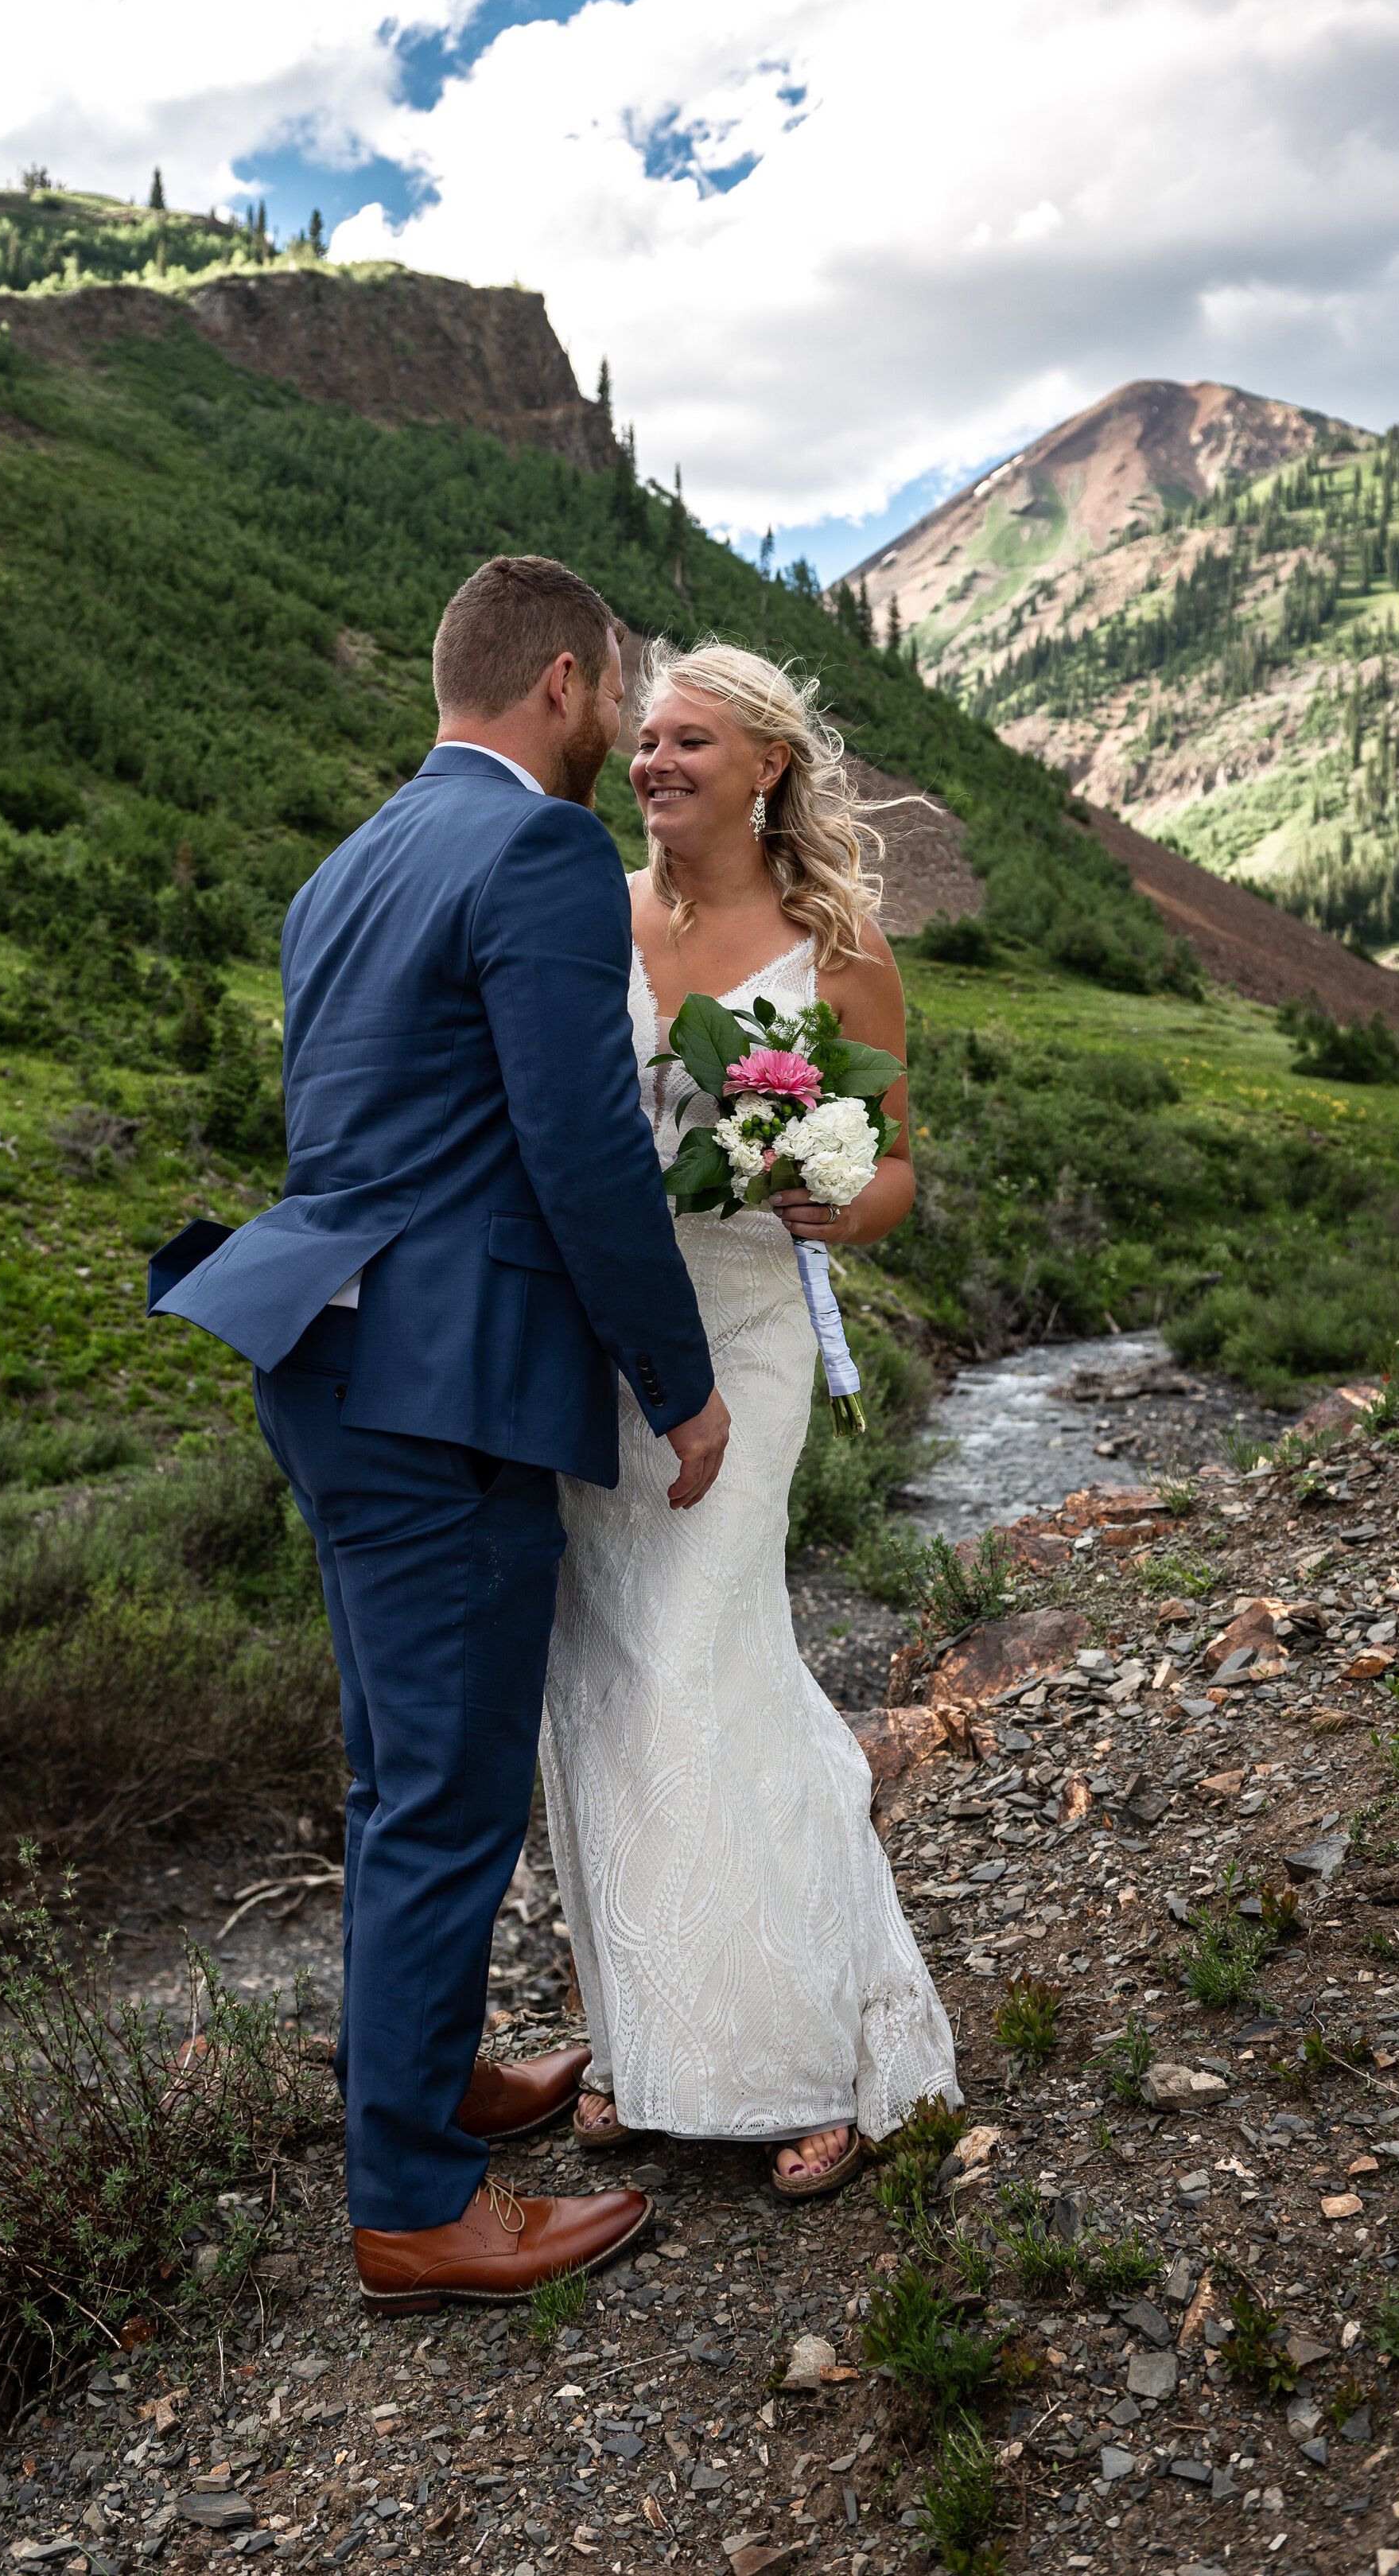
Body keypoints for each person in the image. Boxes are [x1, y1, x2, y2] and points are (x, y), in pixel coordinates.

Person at [155, 556, 731, 2312]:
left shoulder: (345, 867)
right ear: (565, 678)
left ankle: (426, 2077)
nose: (626, 728)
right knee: (449, 1790)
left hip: (319, 1354)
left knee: (393, 1767)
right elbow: (581, 1149)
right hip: (438, 1378)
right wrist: (679, 1381)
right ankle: (412, 2201)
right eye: (620, 691)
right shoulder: (540, 849)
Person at [539, 640, 962, 2197]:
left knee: (714, 1660)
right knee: (603, 1681)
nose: (651, 763)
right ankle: (651, 2048)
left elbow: (896, 1169)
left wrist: (822, 1193)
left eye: (688, 742)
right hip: (596, 1347)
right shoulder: (594, 913)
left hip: (746, 1331)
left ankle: (808, 2050)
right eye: (643, 738)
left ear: (767, 764)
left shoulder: (837, 945)